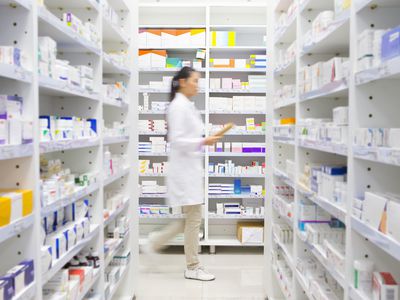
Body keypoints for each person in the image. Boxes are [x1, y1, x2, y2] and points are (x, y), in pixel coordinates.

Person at [143, 67, 221, 281]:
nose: (198, 84)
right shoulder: (178, 106)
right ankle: (192, 266)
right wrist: (203, 141)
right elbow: (176, 140)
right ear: (183, 82)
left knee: (188, 219)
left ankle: (154, 242)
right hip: (184, 173)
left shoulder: (186, 105)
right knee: (194, 218)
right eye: (195, 80)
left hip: (190, 171)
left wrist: (203, 140)